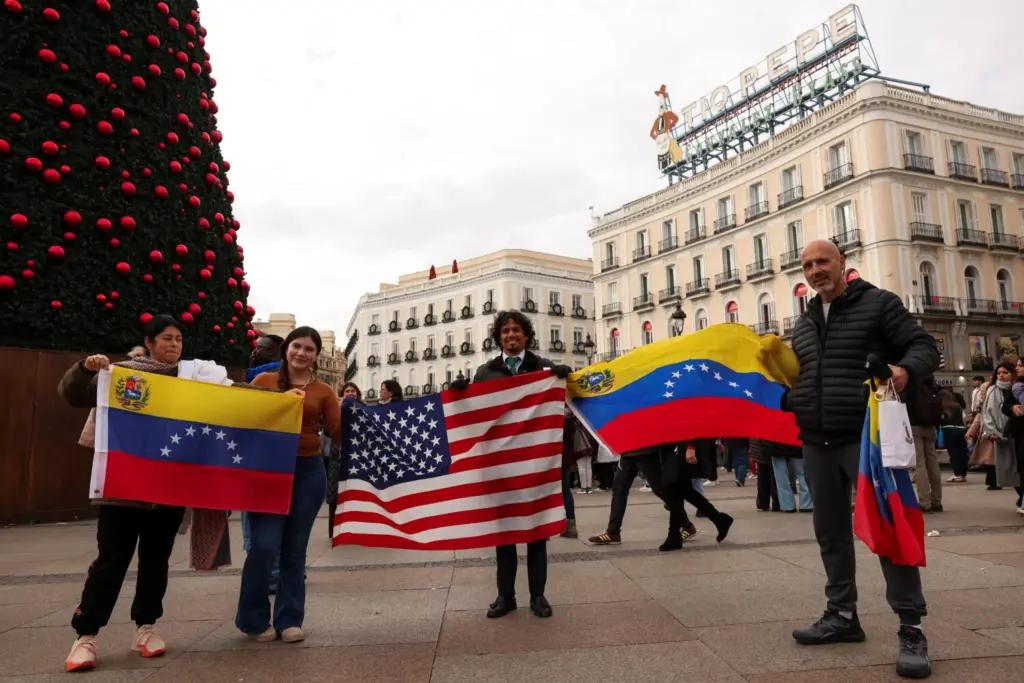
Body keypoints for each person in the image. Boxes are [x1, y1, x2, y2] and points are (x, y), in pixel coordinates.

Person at [785, 240, 939, 679]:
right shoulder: (805, 321)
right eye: (808, 264)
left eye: (823, 261)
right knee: (830, 533)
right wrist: (789, 397)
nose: (816, 270)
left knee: (890, 531)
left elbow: (924, 346)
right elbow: (805, 377)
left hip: (868, 438)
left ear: (841, 264)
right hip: (817, 440)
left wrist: (904, 369)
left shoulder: (878, 304)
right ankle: (842, 616)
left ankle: (911, 627)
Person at [59, 316, 189, 671]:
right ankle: (86, 636)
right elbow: (70, 393)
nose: (174, 345)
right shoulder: (120, 375)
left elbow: (233, 401)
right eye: (167, 338)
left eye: (179, 339)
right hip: (122, 487)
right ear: (149, 342)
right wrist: (86, 368)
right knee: (110, 561)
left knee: (155, 562)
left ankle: (146, 628)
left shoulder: (193, 381)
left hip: (167, 489)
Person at [450, 309, 570, 619]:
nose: (511, 335)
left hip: (535, 467)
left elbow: (565, 407)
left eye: (516, 330)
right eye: (505, 331)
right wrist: (459, 393)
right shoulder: (486, 371)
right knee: (503, 532)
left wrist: (563, 379)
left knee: (536, 531)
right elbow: (472, 417)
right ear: (499, 337)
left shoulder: (544, 369)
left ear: (526, 335)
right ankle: (505, 596)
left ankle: (538, 595)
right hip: (499, 466)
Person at [236, 327, 342, 643]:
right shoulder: (263, 382)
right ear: (287, 349)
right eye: (297, 346)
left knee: (295, 551)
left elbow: (338, 431)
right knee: (263, 547)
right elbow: (242, 415)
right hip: (267, 471)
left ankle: (290, 619)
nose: (301, 353)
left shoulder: (323, 390)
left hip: (308, 471)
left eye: (309, 349)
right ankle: (253, 619)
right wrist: (279, 402)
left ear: (316, 355)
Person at [241, 333, 285, 591]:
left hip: (261, 461)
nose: (255, 352)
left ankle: (269, 576)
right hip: (268, 460)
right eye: (255, 348)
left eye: (262, 348)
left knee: (259, 524)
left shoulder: (261, 379)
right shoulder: (259, 376)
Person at [982, 362, 1020, 508]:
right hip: (1001, 434)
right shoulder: (992, 391)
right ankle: (1021, 496)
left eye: (1005, 372)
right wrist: (991, 433)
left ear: (1012, 374)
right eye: (999, 373)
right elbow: (987, 414)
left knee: (1020, 468)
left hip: (1018, 432)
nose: (1001, 375)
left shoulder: (1017, 389)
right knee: (1008, 469)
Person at [939, 391, 969, 484]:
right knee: (962, 452)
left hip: (948, 431)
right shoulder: (958, 406)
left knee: (954, 453)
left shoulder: (941, 407)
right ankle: (963, 474)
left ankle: (957, 474)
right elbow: (964, 419)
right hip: (960, 430)